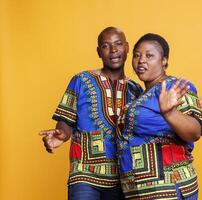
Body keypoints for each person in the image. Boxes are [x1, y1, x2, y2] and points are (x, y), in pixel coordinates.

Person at [39, 27, 143, 200]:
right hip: (84, 173)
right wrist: (62, 135)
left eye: (118, 44)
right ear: (98, 52)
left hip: (123, 178)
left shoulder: (136, 90)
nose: (113, 50)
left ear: (127, 48)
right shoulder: (81, 80)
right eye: (105, 46)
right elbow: (65, 121)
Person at [116, 33, 202, 200]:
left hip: (167, 187)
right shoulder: (138, 95)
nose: (141, 60)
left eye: (149, 55)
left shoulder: (175, 87)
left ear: (164, 60)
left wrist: (170, 113)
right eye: (137, 55)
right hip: (138, 190)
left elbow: (195, 131)